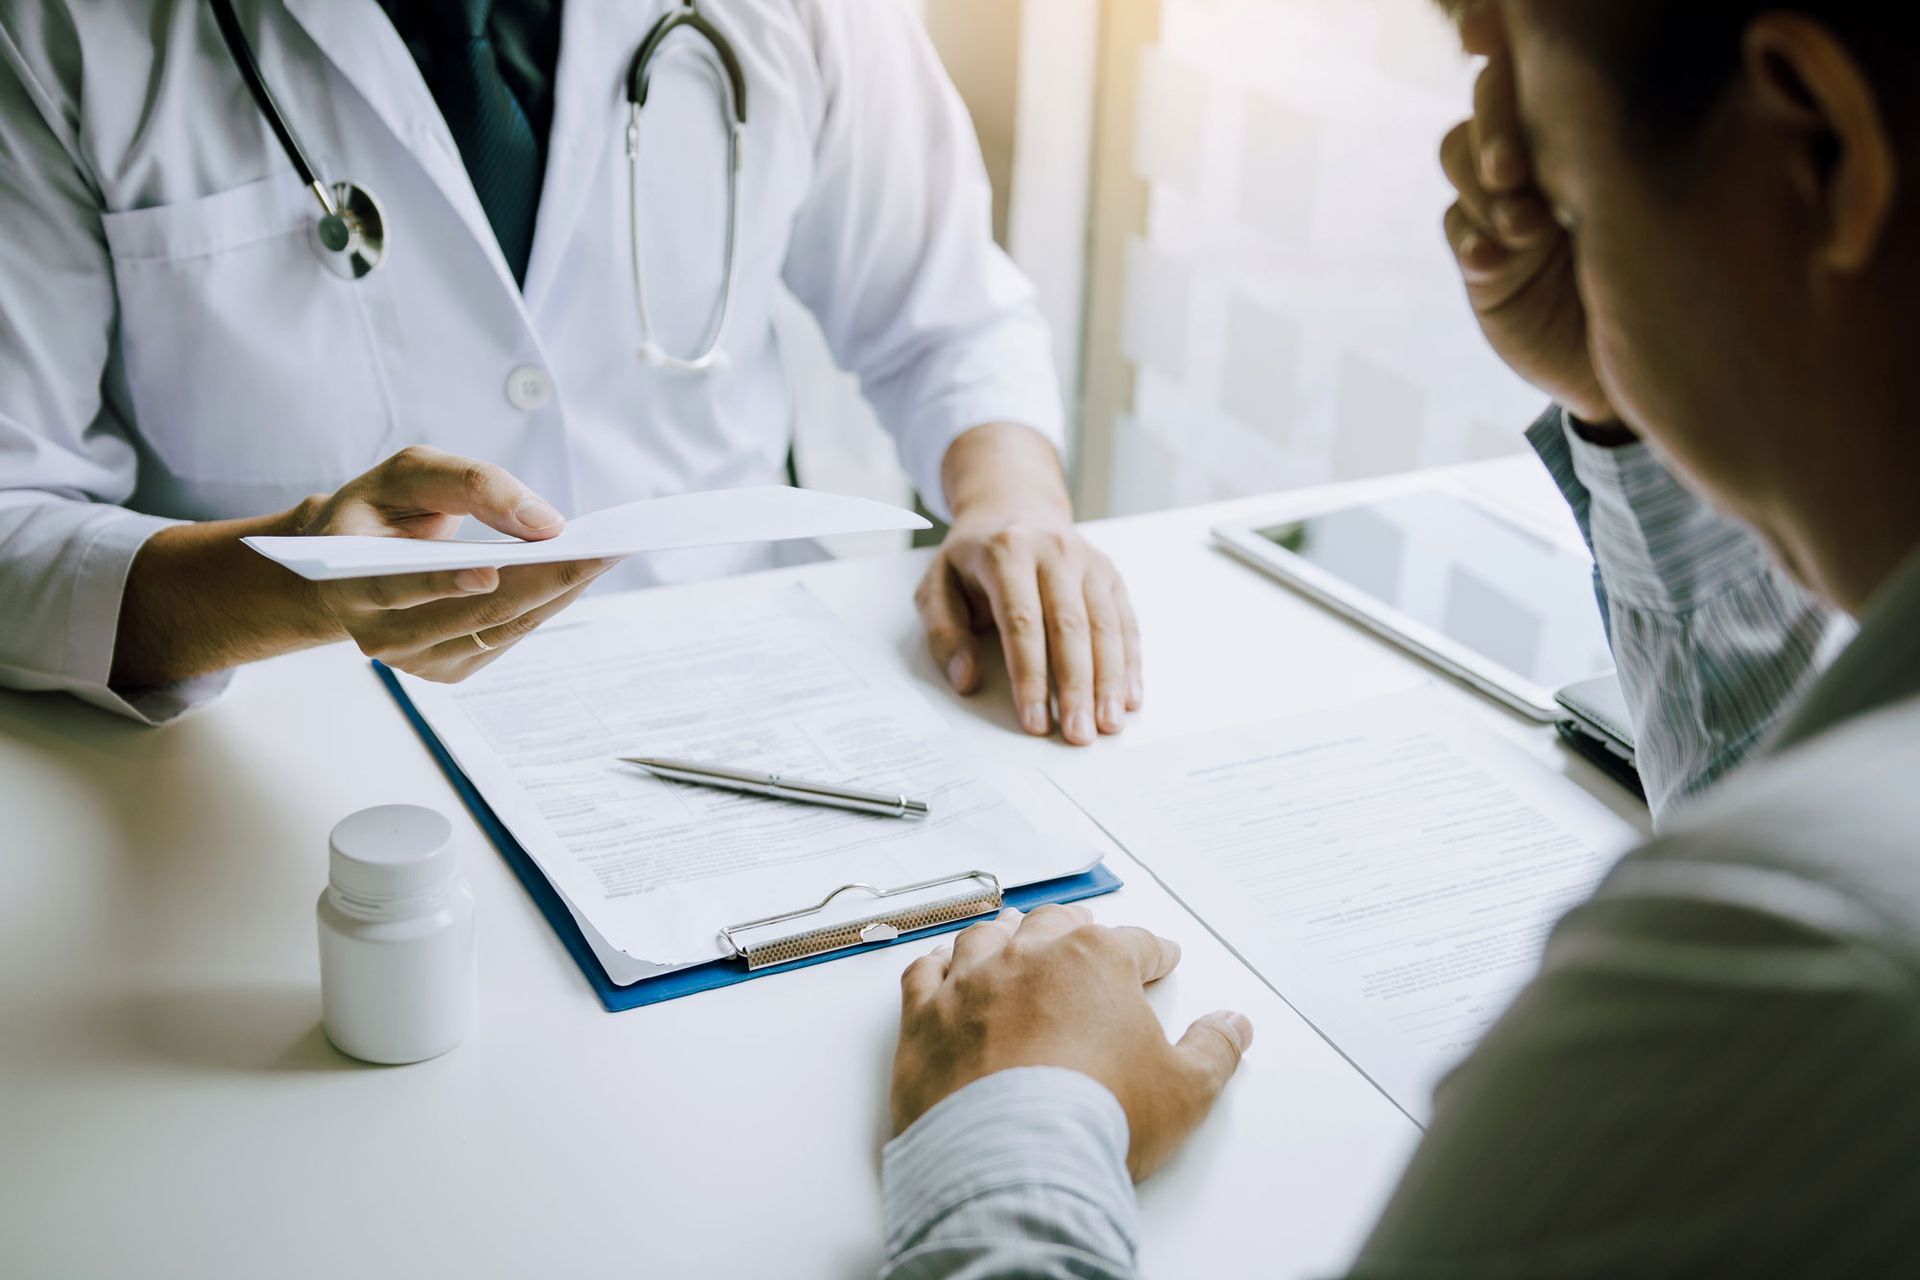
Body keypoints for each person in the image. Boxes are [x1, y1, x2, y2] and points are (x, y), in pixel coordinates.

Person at [878, 1, 1920, 1274]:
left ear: (1815, 150)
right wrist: (1629, 401)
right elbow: (1801, 795)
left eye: (1576, 197)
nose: (1511, 184)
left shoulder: (1797, 961)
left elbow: (1805, 874)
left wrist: (1010, 1120)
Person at [0, 0, 1141, 744]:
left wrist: (1011, 508)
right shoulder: (58, 31)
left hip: (741, 700)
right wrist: (290, 582)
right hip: (297, 752)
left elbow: (944, 314)